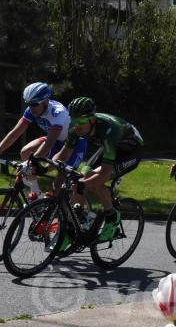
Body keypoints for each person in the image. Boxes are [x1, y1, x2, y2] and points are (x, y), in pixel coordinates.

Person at [54, 97, 144, 243]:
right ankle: (71, 229)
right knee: (81, 179)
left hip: (130, 152)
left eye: (81, 122)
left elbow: (105, 173)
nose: (77, 126)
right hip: (111, 148)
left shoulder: (110, 131)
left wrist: (85, 183)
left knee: (91, 182)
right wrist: (46, 165)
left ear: (92, 120)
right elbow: (64, 154)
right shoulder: (75, 128)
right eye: (74, 121)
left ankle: (112, 217)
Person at [0, 82, 87, 197]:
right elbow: (16, 132)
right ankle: (36, 195)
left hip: (75, 144)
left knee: (58, 184)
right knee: (26, 152)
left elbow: (49, 143)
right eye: (28, 104)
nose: (31, 108)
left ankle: (70, 213)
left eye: (34, 104)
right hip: (56, 140)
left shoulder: (58, 112)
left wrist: (29, 163)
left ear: (45, 101)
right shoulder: (31, 111)